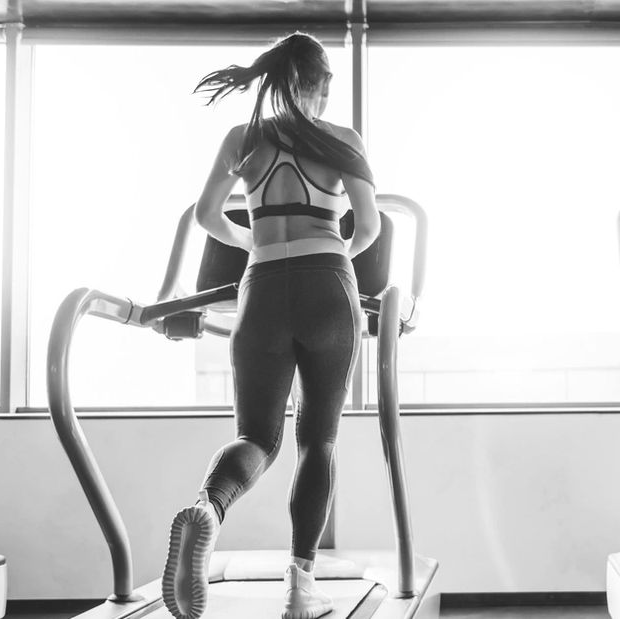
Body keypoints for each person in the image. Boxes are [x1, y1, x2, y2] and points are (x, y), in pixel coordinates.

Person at [160, 32, 380, 619]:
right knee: (318, 440)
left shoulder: (243, 138)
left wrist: (254, 241)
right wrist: (333, 258)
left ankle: (207, 510)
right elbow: (369, 229)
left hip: (261, 287)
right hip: (329, 283)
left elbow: (209, 216)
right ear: (322, 83)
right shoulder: (341, 139)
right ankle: (300, 588)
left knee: (258, 436)